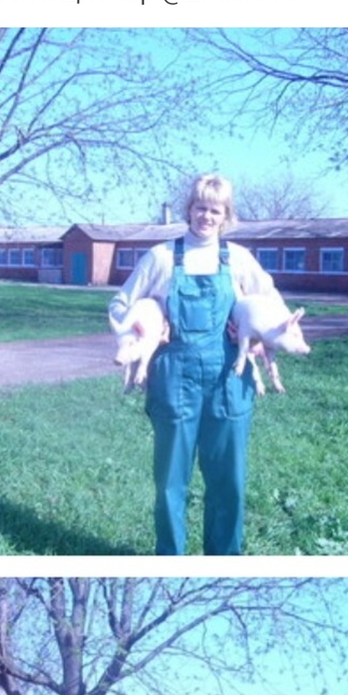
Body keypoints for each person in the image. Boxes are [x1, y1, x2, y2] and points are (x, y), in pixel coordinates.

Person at [108, 173, 275, 556]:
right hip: (173, 377)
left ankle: (224, 557)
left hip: (228, 378)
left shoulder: (239, 260)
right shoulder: (162, 257)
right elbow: (120, 306)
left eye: (215, 210)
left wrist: (256, 334)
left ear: (226, 215)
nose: (206, 216)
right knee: (170, 480)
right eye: (200, 207)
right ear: (189, 209)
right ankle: (170, 557)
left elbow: (271, 305)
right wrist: (142, 330)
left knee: (228, 479)